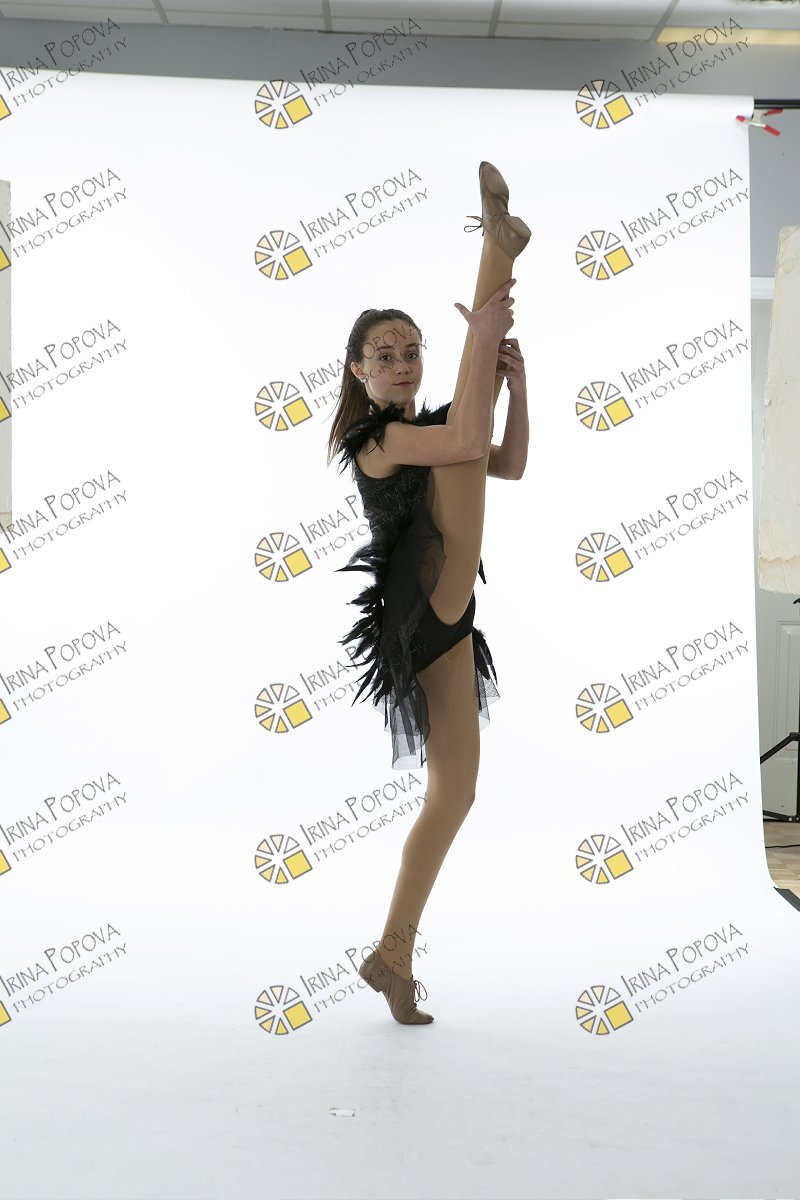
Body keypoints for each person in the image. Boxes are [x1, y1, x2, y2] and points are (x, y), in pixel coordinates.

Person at [326, 162, 531, 1024]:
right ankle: (496, 254)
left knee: (454, 796)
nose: (404, 363)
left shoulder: (433, 428)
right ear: (359, 371)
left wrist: (518, 384)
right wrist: (483, 336)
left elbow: (505, 460)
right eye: (387, 356)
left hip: (454, 618)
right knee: (462, 435)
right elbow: (469, 442)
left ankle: (392, 956)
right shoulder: (376, 440)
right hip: (419, 606)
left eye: (413, 350)